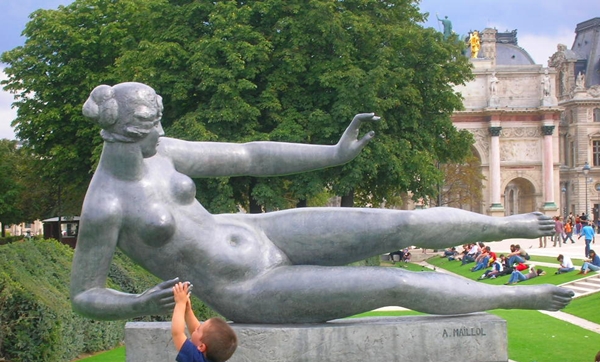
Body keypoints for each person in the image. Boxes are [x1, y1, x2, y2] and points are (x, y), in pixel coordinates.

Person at [70, 82, 573, 325]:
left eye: (159, 121)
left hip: (266, 232)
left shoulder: (163, 152)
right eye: (150, 126)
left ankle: (510, 223)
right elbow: (84, 294)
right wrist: (135, 304)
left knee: (401, 222)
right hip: (250, 288)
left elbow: (250, 156)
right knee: (397, 281)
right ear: (122, 133)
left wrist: (332, 153)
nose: (160, 131)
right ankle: (520, 297)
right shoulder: (106, 205)